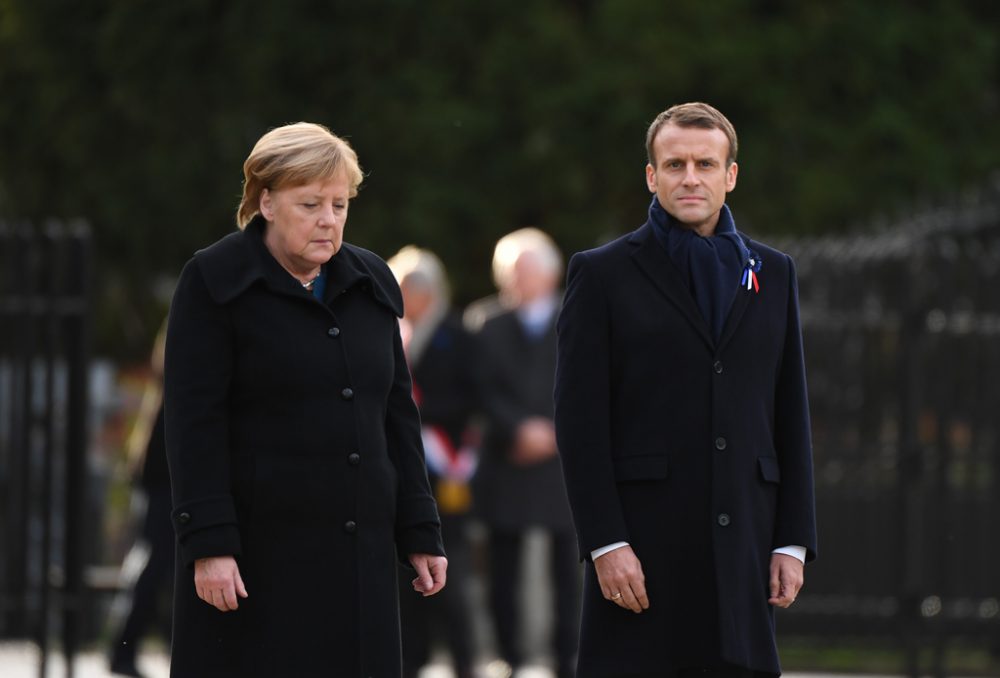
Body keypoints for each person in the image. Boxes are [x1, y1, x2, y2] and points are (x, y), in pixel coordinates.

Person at [163, 122, 447, 678]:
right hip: (255, 561)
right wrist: (210, 545)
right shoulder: (214, 282)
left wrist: (420, 529)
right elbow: (193, 422)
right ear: (265, 201)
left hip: (356, 560)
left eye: (340, 204)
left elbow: (396, 416)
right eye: (311, 203)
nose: (329, 219)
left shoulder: (371, 282)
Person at [553, 102, 817, 678]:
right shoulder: (601, 275)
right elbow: (579, 424)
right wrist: (605, 543)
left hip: (744, 551)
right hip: (643, 553)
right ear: (652, 176)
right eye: (674, 164)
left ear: (731, 175)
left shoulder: (775, 273)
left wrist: (793, 541)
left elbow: (789, 410)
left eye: (705, 163)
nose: (690, 177)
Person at [474, 228, 580, 678]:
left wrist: (557, 433)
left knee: (569, 569)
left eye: (529, 271)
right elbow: (480, 389)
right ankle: (510, 658)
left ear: (551, 274)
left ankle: (569, 658)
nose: (520, 281)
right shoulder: (486, 323)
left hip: (564, 466)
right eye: (512, 273)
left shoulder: (576, 319)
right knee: (504, 568)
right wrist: (517, 429)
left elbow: (590, 384)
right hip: (508, 461)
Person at [387, 246, 480, 678]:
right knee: (406, 569)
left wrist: (425, 411)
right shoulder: (393, 333)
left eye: (414, 288)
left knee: (451, 569)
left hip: (446, 469)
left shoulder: (457, 334)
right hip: (405, 469)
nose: (409, 296)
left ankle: (464, 660)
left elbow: (471, 396)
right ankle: (413, 658)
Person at [108, 322, 173, 678]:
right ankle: (124, 647)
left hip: (159, 467)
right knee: (154, 564)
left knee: (158, 564)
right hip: (164, 472)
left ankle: (130, 646)